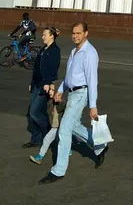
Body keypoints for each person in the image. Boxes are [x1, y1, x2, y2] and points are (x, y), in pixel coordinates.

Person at [39, 22, 108, 184]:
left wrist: (93, 106)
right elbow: (69, 76)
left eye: (79, 33)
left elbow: (92, 81)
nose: (75, 36)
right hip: (72, 93)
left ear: (86, 34)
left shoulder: (89, 53)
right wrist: (60, 90)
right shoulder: (73, 51)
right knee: (74, 126)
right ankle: (100, 144)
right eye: (73, 33)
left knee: (64, 130)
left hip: (82, 93)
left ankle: (58, 171)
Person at [24, 26, 61, 148]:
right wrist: (31, 82)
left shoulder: (55, 50)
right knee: (33, 113)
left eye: (45, 34)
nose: (43, 36)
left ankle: (50, 134)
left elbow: (53, 68)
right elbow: (36, 68)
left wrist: (48, 83)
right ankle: (36, 139)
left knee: (35, 112)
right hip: (36, 84)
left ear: (52, 36)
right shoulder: (43, 49)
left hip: (44, 86)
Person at [30, 83, 67, 165]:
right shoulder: (50, 102)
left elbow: (62, 105)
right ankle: (40, 156)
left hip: (60, 126)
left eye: (53, 90)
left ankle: (40, 156)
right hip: (55, 127)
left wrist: (59, 100)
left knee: (51, 139)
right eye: (50, 89)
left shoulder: (60, 102)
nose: (50, 91)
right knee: (55, 139)